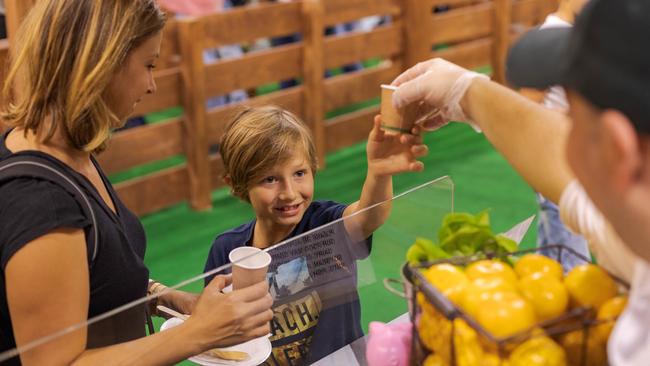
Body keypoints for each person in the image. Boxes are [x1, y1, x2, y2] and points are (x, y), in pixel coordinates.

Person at [0, 1, 272, 365]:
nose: (151, 85)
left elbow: (92, 283)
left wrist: (169, 299)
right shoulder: (40, 201)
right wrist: (199, 333)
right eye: (148, 65)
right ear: (101, 64)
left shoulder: (69, 152)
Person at [390, 0, 649, 364]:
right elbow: (559, 167)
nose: (561, 130)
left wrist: (466, 91)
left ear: (615, 149)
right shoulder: (635, 233)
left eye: (570, 118)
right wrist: (464, 92)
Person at [203, 106, 428, 365]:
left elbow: (368, 217)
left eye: (299, 173)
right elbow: (217, 329)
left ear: (313, 168)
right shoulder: (225, 249)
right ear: (235, 183)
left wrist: (380, 173)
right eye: (269, 179)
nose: (289, 192)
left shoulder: (324, 223)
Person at [518, 0, 590, 270]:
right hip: (554, 159)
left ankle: (541, 280)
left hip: (574, 160)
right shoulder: (551, 38)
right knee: (572, 253)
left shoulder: (580, 35)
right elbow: (526, 108)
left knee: (555, 235)